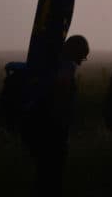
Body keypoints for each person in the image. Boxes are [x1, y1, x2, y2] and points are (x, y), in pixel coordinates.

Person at [22, 34, 89, 196]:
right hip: (53, 134)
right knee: (50, 179)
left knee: (43, 176)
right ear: (75, 52)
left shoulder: (51, 65)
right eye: (82, 56)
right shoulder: (66, 67)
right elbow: (60, 99)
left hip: (42, 131)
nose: (81, 61)